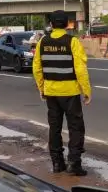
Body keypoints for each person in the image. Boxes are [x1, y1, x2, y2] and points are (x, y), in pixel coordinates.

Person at [33, 10, 92, 176]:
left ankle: (57, 163)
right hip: (70, 92)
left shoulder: (42, 42)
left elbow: (37, 68)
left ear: (51, 25)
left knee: (55, 127)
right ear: (67, 24)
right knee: (75, 127)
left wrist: (42, 88)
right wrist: (86, 91)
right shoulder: (72, 42)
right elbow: (80, 68)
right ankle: (74, 163)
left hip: (51, 92)